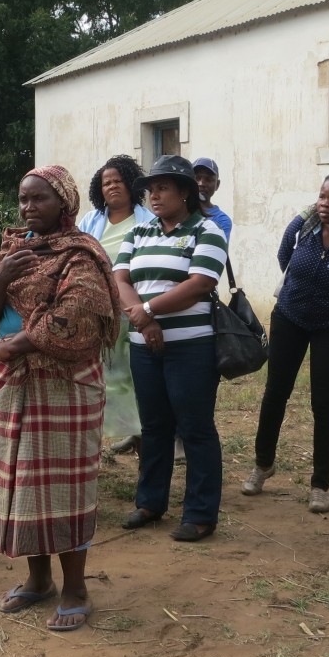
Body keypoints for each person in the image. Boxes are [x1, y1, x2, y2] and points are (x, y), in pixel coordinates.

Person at [0, 165, 120, 631]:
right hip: (13, 385)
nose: (28, 208)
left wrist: (12, 345)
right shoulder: (14, 250)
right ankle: (38, 582)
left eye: (39, 199)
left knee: (62, 486)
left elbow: (76, 320)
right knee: (21, 482)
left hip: (64, 386)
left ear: (64, 204)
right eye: (23, 199)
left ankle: (75, 588)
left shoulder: (81, 255)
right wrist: (2, 275)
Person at [242, 168, 329, 513]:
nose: (324, 203)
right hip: (288, 318)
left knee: (324, 403)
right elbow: (283, 260)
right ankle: (263, 464)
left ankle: (320, 484)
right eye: (322, 196)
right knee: (275, 392)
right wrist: (297, 292)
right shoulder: (302, 229)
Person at [114, 155, 228, 542]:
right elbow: (120, 279)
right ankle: (150, 503)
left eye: (163, 188)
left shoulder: (207, 231)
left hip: (191, 348)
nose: (154, 195)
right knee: (154, 426)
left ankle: (200, 513)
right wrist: (143, 322)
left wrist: (146, 312)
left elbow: (199, 284)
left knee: (195, 428)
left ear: (185, 192)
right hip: (143, 347)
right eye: (150, 189)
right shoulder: (139, 234)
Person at [77, 155, 154, 453]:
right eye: (106, 183)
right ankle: (123, 430)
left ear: (130, 184)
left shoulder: (147, 220)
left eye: (117, 181)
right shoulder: (90, 220)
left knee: (136, 373)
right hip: (99, 310)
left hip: (135, 307)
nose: (112, 187)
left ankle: (144, 433)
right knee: (108, 374)